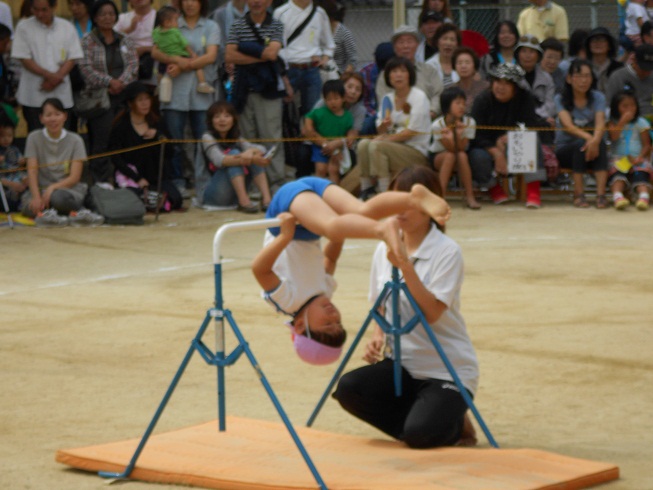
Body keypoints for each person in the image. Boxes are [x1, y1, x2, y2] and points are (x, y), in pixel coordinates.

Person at [333, 166, 479, 449]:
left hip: (446, 369)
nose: (400, 210)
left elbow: (433, 314)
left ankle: (449, 422)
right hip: (403, 364)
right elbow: (381, 305)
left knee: (419, 435)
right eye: (397, 200)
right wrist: (378, 333)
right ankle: (435, 419)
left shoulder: (446, 251)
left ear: (429, 207)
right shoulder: (382, 248)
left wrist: (404, 266)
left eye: (409, 203)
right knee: (349, 390)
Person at [252, 175, 451, 365]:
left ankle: (382, 230)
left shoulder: (286, 302)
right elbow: (330, 258)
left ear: (300, 326)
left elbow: (260, 270)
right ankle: (413, 199)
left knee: (331, 226)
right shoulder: (325, 293)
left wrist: (284, 237)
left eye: (328, 324)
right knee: (361, 211)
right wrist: (342, 231)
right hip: (310, 223)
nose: (333, 316)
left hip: (285, 212)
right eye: (338, 323)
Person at [151, 0, 219, 201]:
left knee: (204, 140)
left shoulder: (210, 26)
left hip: (201, 91)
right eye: (185, 0)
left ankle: (205, 182)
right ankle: (178, 183)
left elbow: (211, 57)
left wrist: (182, 65)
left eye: (194, 0)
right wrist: (179, 62)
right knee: (175, 141)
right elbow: (155, 51)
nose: (189, 4)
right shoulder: (170, 22)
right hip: (174, 92)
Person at [225, 0, 287, 193]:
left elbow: (273, 53)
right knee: (247, 138)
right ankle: (253, 185)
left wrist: (245, 48)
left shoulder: (276, 24)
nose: (256, 2)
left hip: (268, 90)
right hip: (242, 90)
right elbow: (229, 56)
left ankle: (276, 184)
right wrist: (261, 54)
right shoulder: (237, 24)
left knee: (272, 138)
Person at [78, 0, 139, 185]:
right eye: (102, 14)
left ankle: (126, 178)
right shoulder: (87, 41)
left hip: (124, 95)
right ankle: (100, 181)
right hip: (99, 98)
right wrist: (109, 81)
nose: (107, 17)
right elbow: (85, 69)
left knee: (124, 138)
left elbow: (133, 65)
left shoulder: (124, 39)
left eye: (111, 13)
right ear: (95, 18)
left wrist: (121, 82)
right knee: (101, 141)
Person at [469, 63, 545, 208]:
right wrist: (496, 152)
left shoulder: (525, 98)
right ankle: (494, 189)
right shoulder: (482, 100)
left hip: (514, 142)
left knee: (531, 140)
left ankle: (533, 190)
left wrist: (511, 137)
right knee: (476, 156)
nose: (500, 87)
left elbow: (531, 125)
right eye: (497, 82)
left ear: (515, 88)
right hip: (487, 147)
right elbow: (476, 135)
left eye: (506, 84)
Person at [20, 98, 104, 227]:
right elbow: (32, 170)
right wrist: (36, 197)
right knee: (29, 206)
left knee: (58, 199)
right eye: (48, 115)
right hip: (41, 190)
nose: (53, 119)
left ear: (64, 116)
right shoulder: (33, 138)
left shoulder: (75, 140)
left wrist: (52, 188)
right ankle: (57, 215)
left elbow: (74, 177)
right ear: (41, 118)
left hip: (67, 190)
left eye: (57, 114)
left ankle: (78, 212)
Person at [358, 57, 431, 199]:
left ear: (410, 74)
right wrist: (384, 127)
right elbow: (380, 131)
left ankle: (385, 193)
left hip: (415, 150)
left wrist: (385, 139)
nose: (398, 75)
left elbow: (412, 132)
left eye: (402, 71)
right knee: (363, 144)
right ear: (388, 77)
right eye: (394, 71)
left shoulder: (419, 97)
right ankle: (366, 189)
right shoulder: (387, 98)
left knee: (376, 146)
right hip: (391, 146)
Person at [109, 81, 183, 212]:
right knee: (133, 197)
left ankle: (155, 201)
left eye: (147, 99)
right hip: (133, 178)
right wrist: (137, 178)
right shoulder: (121, 126)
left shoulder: (157, 121)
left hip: (156, 178)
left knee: (176, 198)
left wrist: (158, 135)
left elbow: (170, 152)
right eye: (140, 100)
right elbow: (116, 158)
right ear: (130, 103)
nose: (145, 103)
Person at [10, 0, 83, 132]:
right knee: (36, 134)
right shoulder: (23, 27)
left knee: (63, 135)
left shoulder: (66, 26)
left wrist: (57, 78)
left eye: (44, 10)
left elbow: (73, 57)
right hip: (34, 93)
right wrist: (51, 77)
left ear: (53, 7)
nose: (40, 14)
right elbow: (24, 58)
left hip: (61, 93)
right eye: (35, 10)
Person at [554, 59, 609, 208]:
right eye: (579, 76)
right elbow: (568, 126)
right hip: (565, 150)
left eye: (587, 76)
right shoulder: (560, 99)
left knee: (601, 144)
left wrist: (595, 141)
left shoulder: (598, 97)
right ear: (569, 79)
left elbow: (600, 123)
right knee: (581, 145)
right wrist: (590, 139)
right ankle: (579, 194)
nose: (583, 80)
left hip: (593, 148)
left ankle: (601, 195)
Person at [201, 100, 272, 212]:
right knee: (235, 155)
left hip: (231, 195)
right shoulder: (207, 137)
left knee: (252, 155)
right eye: (217, 116)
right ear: (211, 121)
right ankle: (244, 202)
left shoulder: (235, 137)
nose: (222, 120)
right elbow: (220, 160)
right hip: (212, 196)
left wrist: (251, 153)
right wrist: (251, 157)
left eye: (227, 116)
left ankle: (267, 200)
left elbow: (261, 149)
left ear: (233, 119)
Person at [274, 0, 335, 116]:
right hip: (288, 70)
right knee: (282, 112)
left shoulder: (320, 13)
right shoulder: (280, 12)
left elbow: (329, 44)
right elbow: (275, 47)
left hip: (312, 70)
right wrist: (282, 73)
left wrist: (324, 60)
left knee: (312, 114)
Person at [376, 25, 444, 118]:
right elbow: (383, 98)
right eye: (401, 42)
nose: (405, 46)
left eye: (410, 41)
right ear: (394, 47)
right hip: (396, 121)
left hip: (427, 120)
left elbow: (438, 94)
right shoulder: (386, 74)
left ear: (417, 45)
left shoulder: (429, 70)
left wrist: (432, 112)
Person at [431, 87, 479, 209]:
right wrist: (452, 138)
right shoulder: (437, 125)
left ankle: (470, 196)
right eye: (457, 103)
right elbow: (451, 149)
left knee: (461, 155)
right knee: (450, 155)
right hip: (438, 156)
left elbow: (461, 148)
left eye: (463, 103)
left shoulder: (470, 122)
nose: (462, 106)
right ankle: (439, 198)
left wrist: (457, 135)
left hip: (460, 155)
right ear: (447, 105)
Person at [153, 6, 215, 95]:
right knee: (198, 65)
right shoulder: (175, 32)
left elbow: (156, 46)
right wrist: (192, 54)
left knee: (160, 71)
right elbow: (185, 45)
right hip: (180, 54)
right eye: (175, 20)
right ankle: (202, 83)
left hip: (165, 57)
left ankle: (159, 86)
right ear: (167, 22)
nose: (178, 22)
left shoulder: (156, 32)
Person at [606, 90, 651, 210]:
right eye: (625, 106)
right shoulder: (612, 122)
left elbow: (647, 144)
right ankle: (618, 196)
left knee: (641, 174)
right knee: (617, 175)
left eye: (632, 105)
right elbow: (614, 137)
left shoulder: (641, 122)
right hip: (619, 158)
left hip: (637, 158)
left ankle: (643, 197)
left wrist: (640, 157)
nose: (630, 109)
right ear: (616, 108)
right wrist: (622, 122)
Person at [304, 79, 354, 183]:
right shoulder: (320, 112)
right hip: (320, 147)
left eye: (336, 98)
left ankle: (334, 193)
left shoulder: (348, 116)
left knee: (334, 170)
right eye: (329, 99)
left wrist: (347, 139)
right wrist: (310, 129)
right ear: (324, 100)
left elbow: (350, 130)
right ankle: (318, 192)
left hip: (337, 148)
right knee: (321, 169)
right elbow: (308, 117)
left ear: (343, 98)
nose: (333, 102)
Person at [114, 0, 158, 85]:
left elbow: (169, 45)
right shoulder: (122, 18)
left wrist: (144, 49)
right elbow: (111, 40)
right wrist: (129, 29)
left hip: (155, 70)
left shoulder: (159, 17)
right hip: (127, 73)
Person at [606, 44, 653, 121]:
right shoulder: (618, 76)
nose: (647, 72)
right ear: (634, 60)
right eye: (643, 68)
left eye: (650, 68)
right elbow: (608, 106)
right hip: (625, 120)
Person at [0, 109, 27, 212]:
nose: (6, 139)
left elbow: (20, 162)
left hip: (16, 173)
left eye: (9, 136)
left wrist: (22, 161)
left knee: (27, 178)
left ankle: (23, 199)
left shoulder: (14, 149)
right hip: (4, 176)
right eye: (2, 136)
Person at [322, 0, 357, 75]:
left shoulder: (344, 33)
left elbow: (352, 60)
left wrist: (343, 76)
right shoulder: (317, 31)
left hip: (338, 75)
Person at [584, 27, 624, 94]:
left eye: (602, 40)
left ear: (609, 45)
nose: (597, 43)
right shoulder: (584, 66)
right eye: (593, 40)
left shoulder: (618, 67)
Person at [453, 46, 488, 114]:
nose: (463, 66)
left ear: (474, 66)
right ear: (454, 67)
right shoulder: (450, 89)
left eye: (467, 62)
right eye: (459, 63)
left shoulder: (486, 88)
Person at [426, 23, 461, 88]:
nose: (448, 43)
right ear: (437, 42)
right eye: (445, 38)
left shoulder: (462, 64)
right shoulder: (428, 66)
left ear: (457, 44)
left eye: (452, 40)